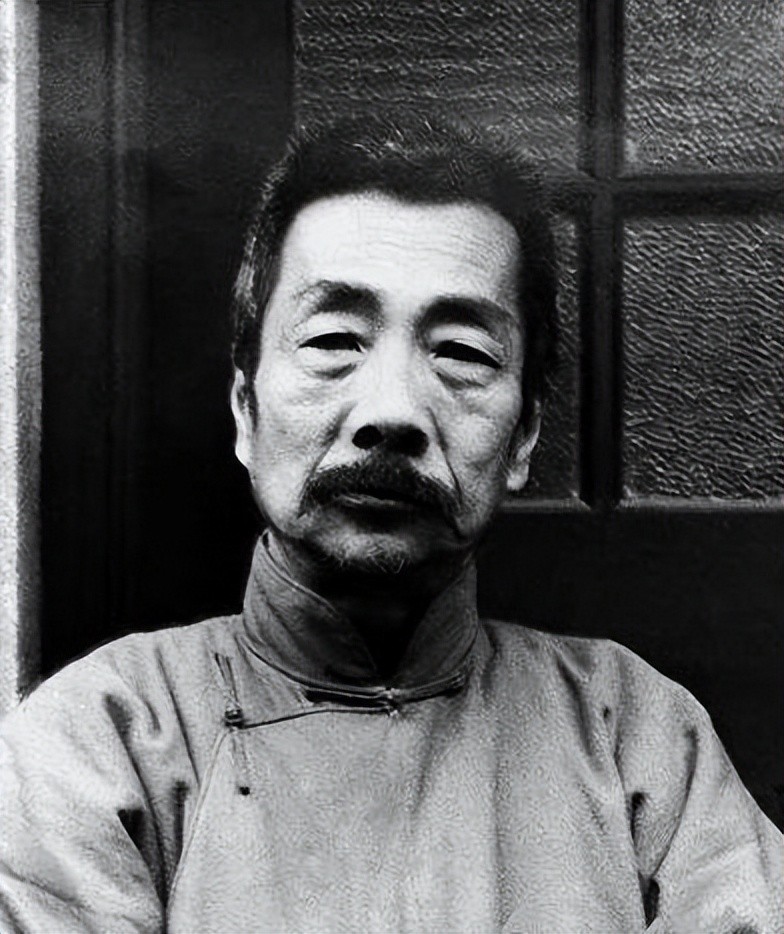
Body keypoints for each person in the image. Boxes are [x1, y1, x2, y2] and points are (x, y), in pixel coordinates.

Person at [0, 116, 781, 933]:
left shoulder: (635, 738)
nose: (393, 410)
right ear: (245, 409)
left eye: (462, 353)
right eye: (335, 339)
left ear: (523, 437)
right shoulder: (102, 740)